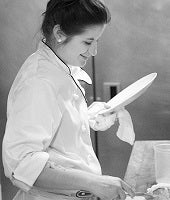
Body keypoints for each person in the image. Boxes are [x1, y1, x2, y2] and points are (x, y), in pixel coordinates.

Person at [2, 0, 135, 200]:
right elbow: (21, 165)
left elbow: (54, 121)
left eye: (97, 41)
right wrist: (94, 182)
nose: (94, 51)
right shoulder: (38, 82)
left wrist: (90, 115)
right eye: (88, 42)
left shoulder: (62, 64)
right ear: (59, 34)